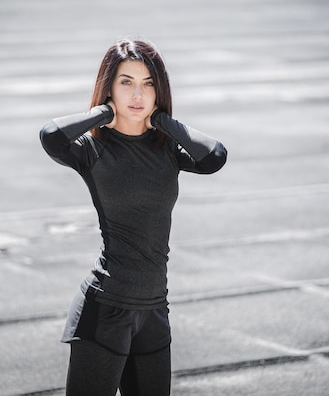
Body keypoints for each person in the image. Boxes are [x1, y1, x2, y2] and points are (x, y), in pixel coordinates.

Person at [39, 39, 227, 396]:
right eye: (126, 82)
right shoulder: (93, 149)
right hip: (106, 309)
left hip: (155, 311)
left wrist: (162, 121)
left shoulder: (168, 148)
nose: (137, 94)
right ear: (109, 87)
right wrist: (104, 114)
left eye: (148, 83)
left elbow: (214, 157)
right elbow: (50, 137)